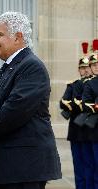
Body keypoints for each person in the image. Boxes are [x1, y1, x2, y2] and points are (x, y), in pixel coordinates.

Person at [0, 11, 62, 189]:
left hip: (22, 169)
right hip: (11, 169)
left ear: (18, 37)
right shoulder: (12, 66)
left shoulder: (31, 67)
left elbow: (13, 112)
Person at [60, 42, 93, 189]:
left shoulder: (92, 85)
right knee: (78, 165)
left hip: (90, 130)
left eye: (87, 68)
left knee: (90, 165)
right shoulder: (73, 85)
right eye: (82, 68)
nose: (85, 71)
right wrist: (78, 105)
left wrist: (77, 104)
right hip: (75, 129)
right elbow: (63, 103)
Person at [81, 39, 98, 189]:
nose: (96, 67)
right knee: (95, 166)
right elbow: (85, 103)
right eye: (94, 65)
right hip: (96, 130)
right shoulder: (90, 84)